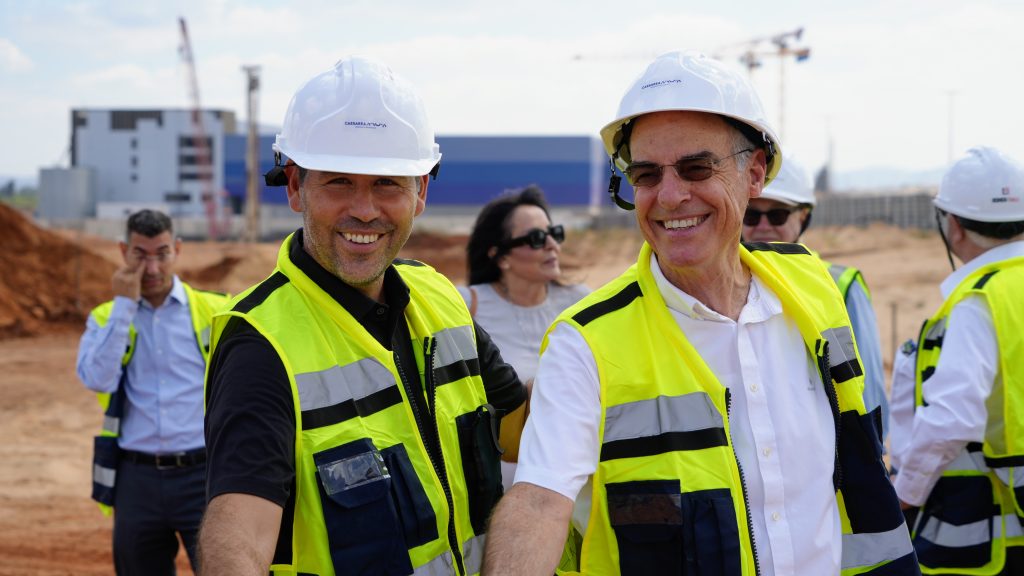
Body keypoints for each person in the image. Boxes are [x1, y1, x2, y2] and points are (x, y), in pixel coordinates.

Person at [482, 51, 918, 576]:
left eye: (696, 168)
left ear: (754, 172)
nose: (669, 196)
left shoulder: (811, 289)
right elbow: (539, 500)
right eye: (646, 174)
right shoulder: (585, 344)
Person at [198, 56, 527, 576]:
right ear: (294, 186)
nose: (365, 209)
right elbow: (239, 531)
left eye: (387, 183)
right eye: (338, 182)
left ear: (420, 192)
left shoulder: (438, 296)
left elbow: (518, 432)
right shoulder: (260, 343)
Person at [888, 146, 1024, 575]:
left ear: (954, 226)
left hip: (995, 534)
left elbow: (953, 417)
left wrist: (905, 493)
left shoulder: (980, 302)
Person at [76, 209, 229, 575]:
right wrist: (124, 307)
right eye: (140, 255)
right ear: (123, 252)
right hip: (136, 480)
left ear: (177, 249)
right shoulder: (106, 317)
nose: (152, 268)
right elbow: (97, 378)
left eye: (161, 253)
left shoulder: (217, 310)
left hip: (205, 474)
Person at [741, 156, 890, 441]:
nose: (763, 225)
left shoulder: (841, 285)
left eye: (778, 215)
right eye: (751, 214)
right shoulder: (722, 289)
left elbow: (868, 391)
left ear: (803, 216)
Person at [458, 185, 590, 490]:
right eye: (536, 238)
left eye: (554, 233)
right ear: (500, 256)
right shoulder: (464, 309)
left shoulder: (581, 304)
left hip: (573, 482)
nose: (552, 245)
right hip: (498, 485)